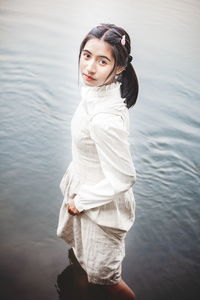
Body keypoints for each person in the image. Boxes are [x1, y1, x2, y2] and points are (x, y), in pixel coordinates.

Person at [57, 23, 139, 299]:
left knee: (108, 281)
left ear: (119, 68)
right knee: (84, 265)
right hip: (85, 192)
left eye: (102, 61)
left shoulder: (105, 120)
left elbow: (125, 179)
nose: (89, 68)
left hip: (99, 207)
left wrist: (80, 202)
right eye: (86, 55)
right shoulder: (97, 92)